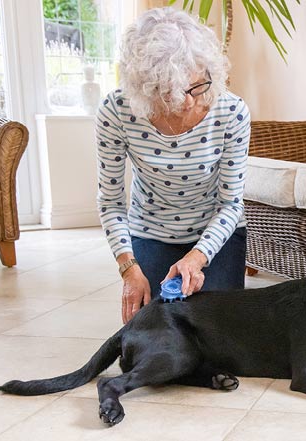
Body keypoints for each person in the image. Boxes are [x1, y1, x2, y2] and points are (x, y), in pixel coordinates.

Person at [96, 7, 251, 324]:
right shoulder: (117, 111)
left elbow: (231, 204)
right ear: (145, 88)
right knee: (158, 324)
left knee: (219, 327)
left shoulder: (232, 111)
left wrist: (197, 258)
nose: (190, 101)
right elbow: (111, 202)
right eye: (172, 93)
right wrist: (129, 269)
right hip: (150, 231)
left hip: (215, 235)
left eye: (197, 86)